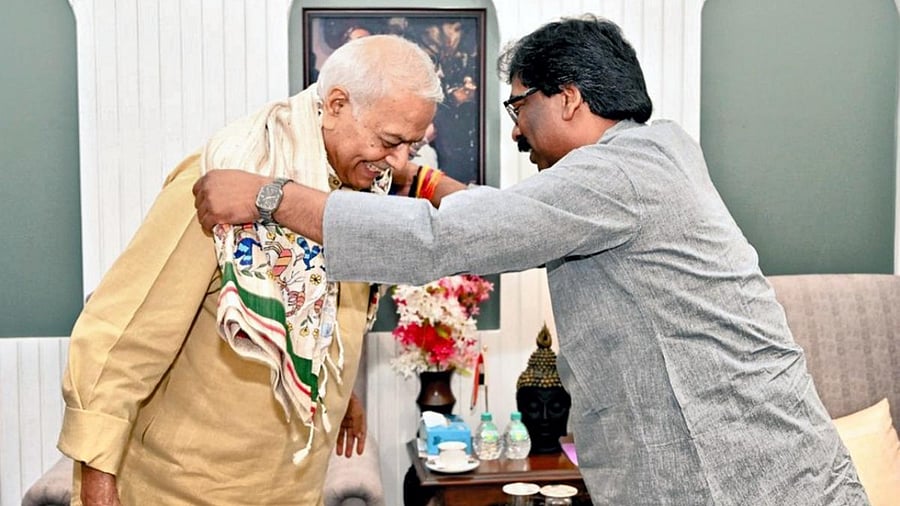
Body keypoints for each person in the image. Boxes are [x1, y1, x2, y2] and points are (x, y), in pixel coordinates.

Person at [193, 15, 869, 506]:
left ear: (568, 97)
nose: (514, 130)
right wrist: (425, 182)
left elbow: (440, 240)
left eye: (519, 106)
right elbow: (512, 215)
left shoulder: (618, 177)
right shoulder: (648, 157)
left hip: (743, 483)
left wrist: (270, 196)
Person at [58, 34, 442, 506]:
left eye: (411, 146)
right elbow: (121, 338)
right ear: (337, 104)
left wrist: (337, 389)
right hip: (180, 490)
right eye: (389, 141)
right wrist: (96, 484)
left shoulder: (355, 189)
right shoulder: (223, 180)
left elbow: (318, 313)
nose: (399, 162)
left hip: (292, 487)